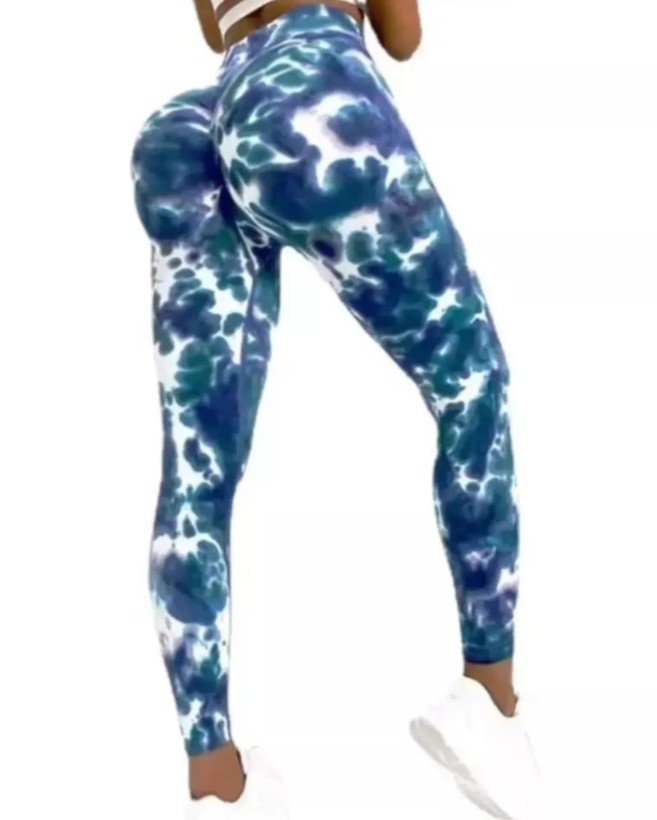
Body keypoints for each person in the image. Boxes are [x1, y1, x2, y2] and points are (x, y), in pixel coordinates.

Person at [131, 2, 541, 817]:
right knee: (473, 383)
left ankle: (217, 780)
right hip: (314, 94)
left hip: (197, 124)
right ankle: (488, 699)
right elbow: (401, 36)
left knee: (198, 465)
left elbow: (219, 29)